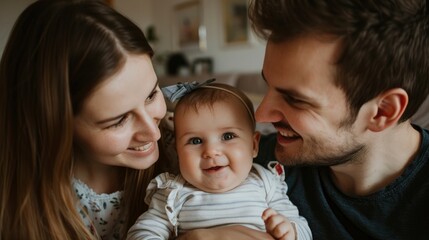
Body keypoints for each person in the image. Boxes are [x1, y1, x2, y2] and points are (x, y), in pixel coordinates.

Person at [178, 0, 429, 239]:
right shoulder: (253, 163)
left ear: (382, 111)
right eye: (269, 87)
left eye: (295, 100)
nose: (261, 114)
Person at [0, 0, 167, 239]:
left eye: (151, 95)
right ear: (55, 123)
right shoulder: (17, 202)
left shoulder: (186, 151)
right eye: (118, 120)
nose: (154, 133)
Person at [127, 82, 312, 240]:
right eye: (195, 141)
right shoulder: (173, 192)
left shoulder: (266, 183)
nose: (211, 151)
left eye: (228, 136)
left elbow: (303, 228)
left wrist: (290, 231)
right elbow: (143, 232)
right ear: (177, 151)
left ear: (254, 145)